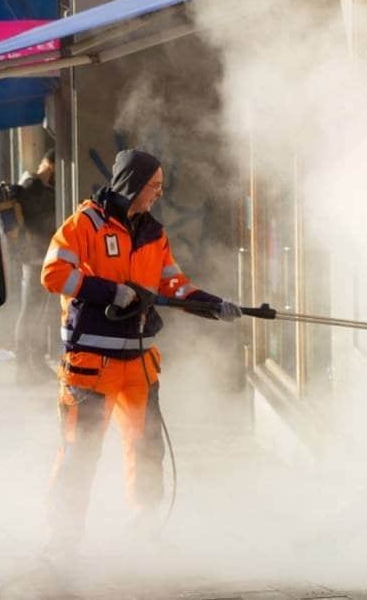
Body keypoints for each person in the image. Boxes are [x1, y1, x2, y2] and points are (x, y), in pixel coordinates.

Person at [40, 148, 242, 557]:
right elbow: (53, 274)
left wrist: (212, 305)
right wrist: (110, 291)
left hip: (140, 367)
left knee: (148, 449)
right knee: (81, 453)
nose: (159, 193)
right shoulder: (84, 225)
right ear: (132, 185)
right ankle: (61, 544)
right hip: (90, 369)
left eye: (161, 186)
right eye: (154, 186)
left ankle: (144, 533)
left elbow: (174, 286)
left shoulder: (154, 234)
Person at [0, 149, 56, 382]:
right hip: (36, 260)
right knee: (31, 314)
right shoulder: (32, 189)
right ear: (51, 165)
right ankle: (26, 367)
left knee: (35, 313)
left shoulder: (32, 188)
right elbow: (40, 225)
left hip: (36, 259)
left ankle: (31, 365)